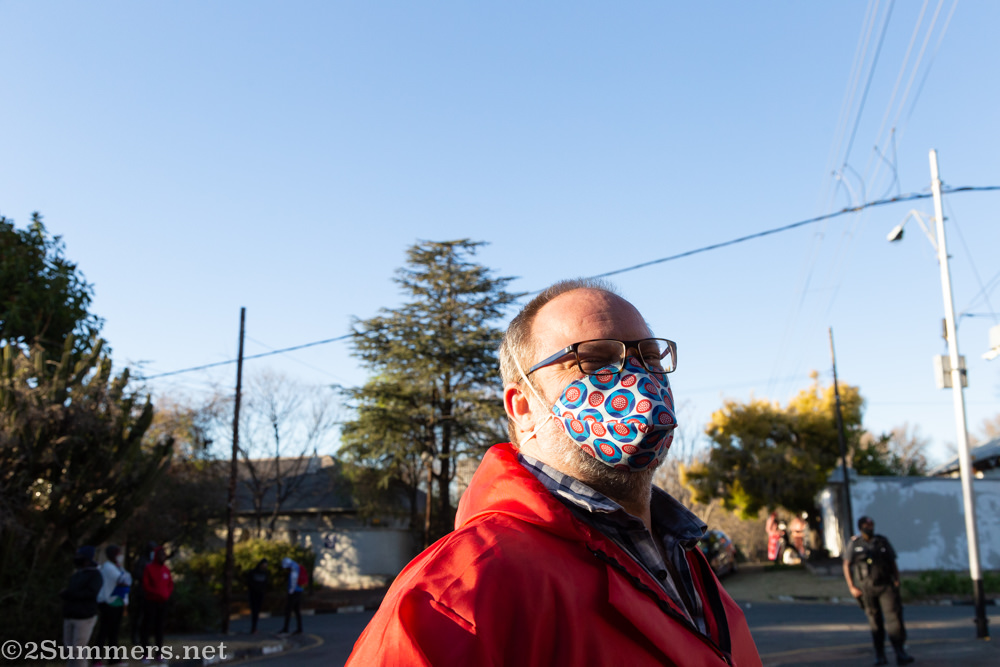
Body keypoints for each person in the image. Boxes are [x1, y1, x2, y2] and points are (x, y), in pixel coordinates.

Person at [346, 279, 762, 666]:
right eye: (594, 359)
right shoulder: (456, 593)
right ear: (522, 407)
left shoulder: (689, 561)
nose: (638, 378)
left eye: (649, 357)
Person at [843, 516, 914, 666]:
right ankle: (879, 654)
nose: (870, 527)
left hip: (886, 586)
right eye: (867, 525)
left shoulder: (882, 541)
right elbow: (846, 565)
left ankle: (900, 651)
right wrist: (852, 586)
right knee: (875, 622)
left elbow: (892, 561)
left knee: (894, 620)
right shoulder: (855, 544)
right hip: (867, 588)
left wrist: (896, 580)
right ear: (861, 526)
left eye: (871, 524)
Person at [60, 545, 103, 667]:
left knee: (78, 650)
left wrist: (70, 594)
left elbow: (91, 593)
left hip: (84, 616)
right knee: (69, 650)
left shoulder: (95, 575)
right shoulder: (77, 574)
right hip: (71, 614)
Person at [95, 544, 131, 663]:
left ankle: (113, 657)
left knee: (114, 632)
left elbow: (127, 579)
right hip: (108, 602)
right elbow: (123, 579)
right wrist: (124, 577)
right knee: (104, 631)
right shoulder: (108, 567)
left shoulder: (117, 567)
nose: (120, 556)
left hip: (118, 602)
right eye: (118, 553)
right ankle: (97, 659)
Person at [141, 547, 174, 663]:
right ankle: (145, 654)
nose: (162, 557)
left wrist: (166, 594)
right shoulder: (149, 568)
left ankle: (159, 653)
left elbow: (170, 584)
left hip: (163, 602)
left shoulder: (166, 569)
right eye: (160, 555)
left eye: (164, 555)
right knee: (147, 627)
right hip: (151, 601)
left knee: (159, 628)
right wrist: (156, 594)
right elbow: (146, 585)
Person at [129, 541, 157, 645]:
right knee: (139, 616)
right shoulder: (142, 561)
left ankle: (144, 638)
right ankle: (135, 637)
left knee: (148, 617)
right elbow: (137, 574)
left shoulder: (154, 561)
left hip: (152, 593)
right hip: (142, 592)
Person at [278, 557, 303, 635]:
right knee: (297, 611)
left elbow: (293, 580)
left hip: (294, 592)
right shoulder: (296, 565)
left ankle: (286, 628)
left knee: (288, 610)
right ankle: (299, 628)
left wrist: (290, 591)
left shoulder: (293, 568)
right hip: (298, 591)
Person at [246, 558, 269, 634]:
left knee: (257, 611)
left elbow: (266, 583)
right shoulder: (253, 572)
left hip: (260, 594)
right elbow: (249, 582)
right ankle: (253, 628)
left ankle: (254, 627)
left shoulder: (265, 573)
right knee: (254, 611)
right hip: (253, 594)